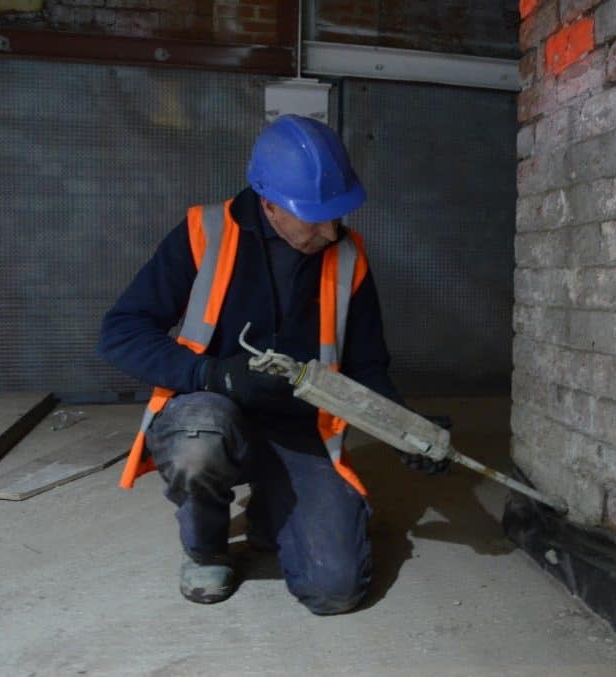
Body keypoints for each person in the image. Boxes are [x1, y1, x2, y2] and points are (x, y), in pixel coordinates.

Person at [97, 114, 447, 612]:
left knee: (336, 589)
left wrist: (404, 428)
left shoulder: (348, 255)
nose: (330, 231)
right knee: (199, 442)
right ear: (270, 205)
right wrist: (210, 375)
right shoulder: (205, 233)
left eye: (338, 214)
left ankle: (272, 504)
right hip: (215, 412)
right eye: (315, 216)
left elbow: (367, 366)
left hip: (300, 431)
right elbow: (121, 332)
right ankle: (206, 549)